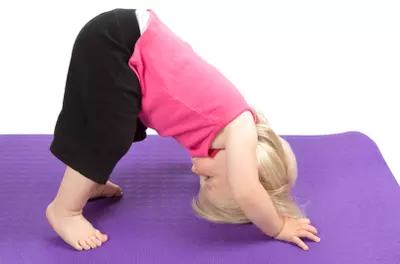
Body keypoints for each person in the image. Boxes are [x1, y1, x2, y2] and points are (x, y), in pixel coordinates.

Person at [46, 8, 320, 251]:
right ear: (248, 168)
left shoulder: (222, 129)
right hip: (120, 43)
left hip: (126, 45)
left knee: (118, 124)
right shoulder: (241, 129)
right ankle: (64, 210)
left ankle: (88, 181)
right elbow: (247, 191)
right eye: (209, 179)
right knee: (106, 136)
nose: (195, 171)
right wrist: (278, 227)